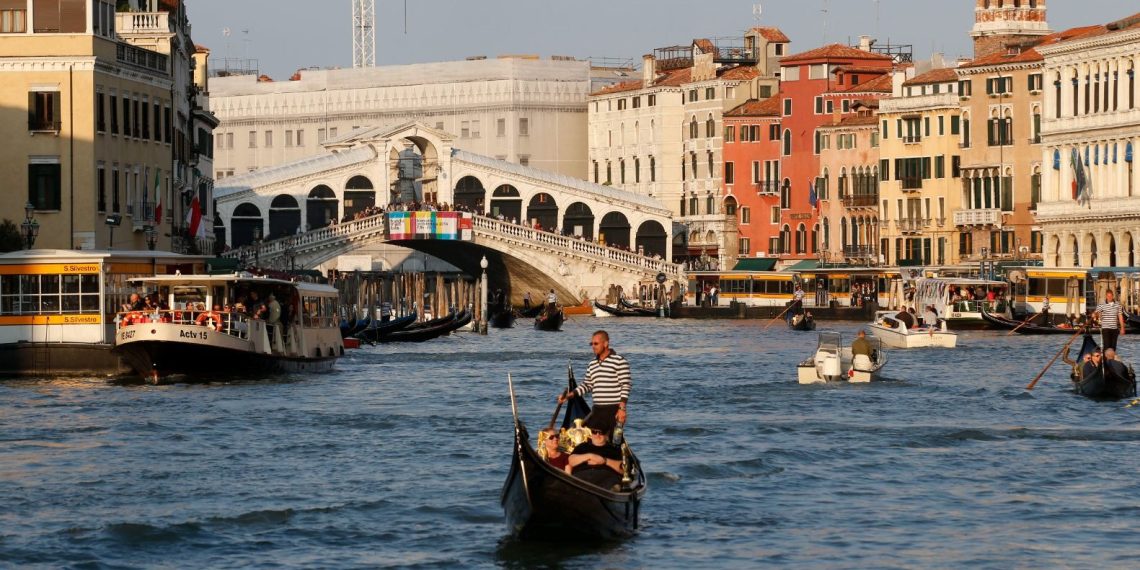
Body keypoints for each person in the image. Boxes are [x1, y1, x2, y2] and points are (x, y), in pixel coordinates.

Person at [558, 330, 631, 437]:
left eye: (596, 344)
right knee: (588, 438)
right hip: (597, 410)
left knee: (615, 441)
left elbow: (625, 385)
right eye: (591, 344)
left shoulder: (619, 361)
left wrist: (622, 409)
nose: (593, 346)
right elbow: (587, 385)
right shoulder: (592, 364)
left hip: (614, 410)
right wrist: (570, 395)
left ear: (606, 343)